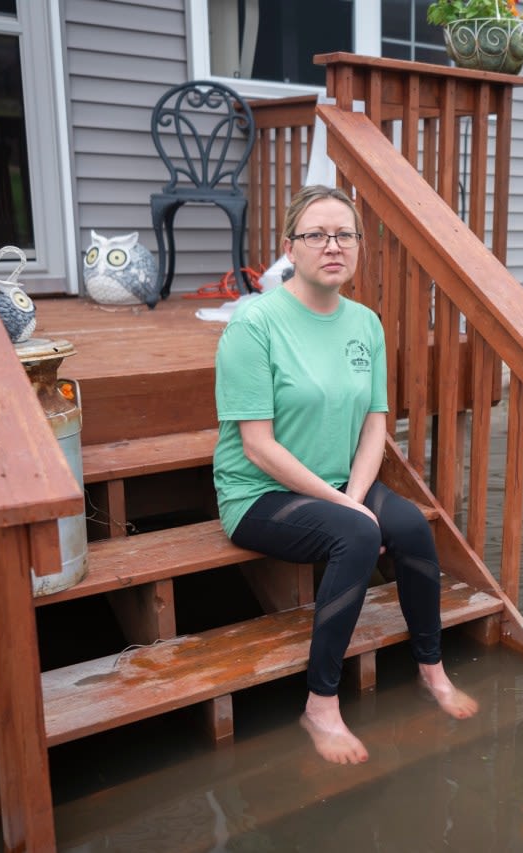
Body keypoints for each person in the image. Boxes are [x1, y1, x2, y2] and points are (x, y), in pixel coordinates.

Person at [213, 185, 478, 764]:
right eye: (316, 235)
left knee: (409, 526)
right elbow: (256, 447)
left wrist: (354, 496)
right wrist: (348, 510)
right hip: (260, 493)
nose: (332, 246)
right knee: (357, 533)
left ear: (359, 246)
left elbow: (375, 426)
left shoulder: (365, 324)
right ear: (290, 247)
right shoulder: (254, 325)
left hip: (338, 482)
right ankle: (321, 704)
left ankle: (431, 668)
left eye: (345, 235)